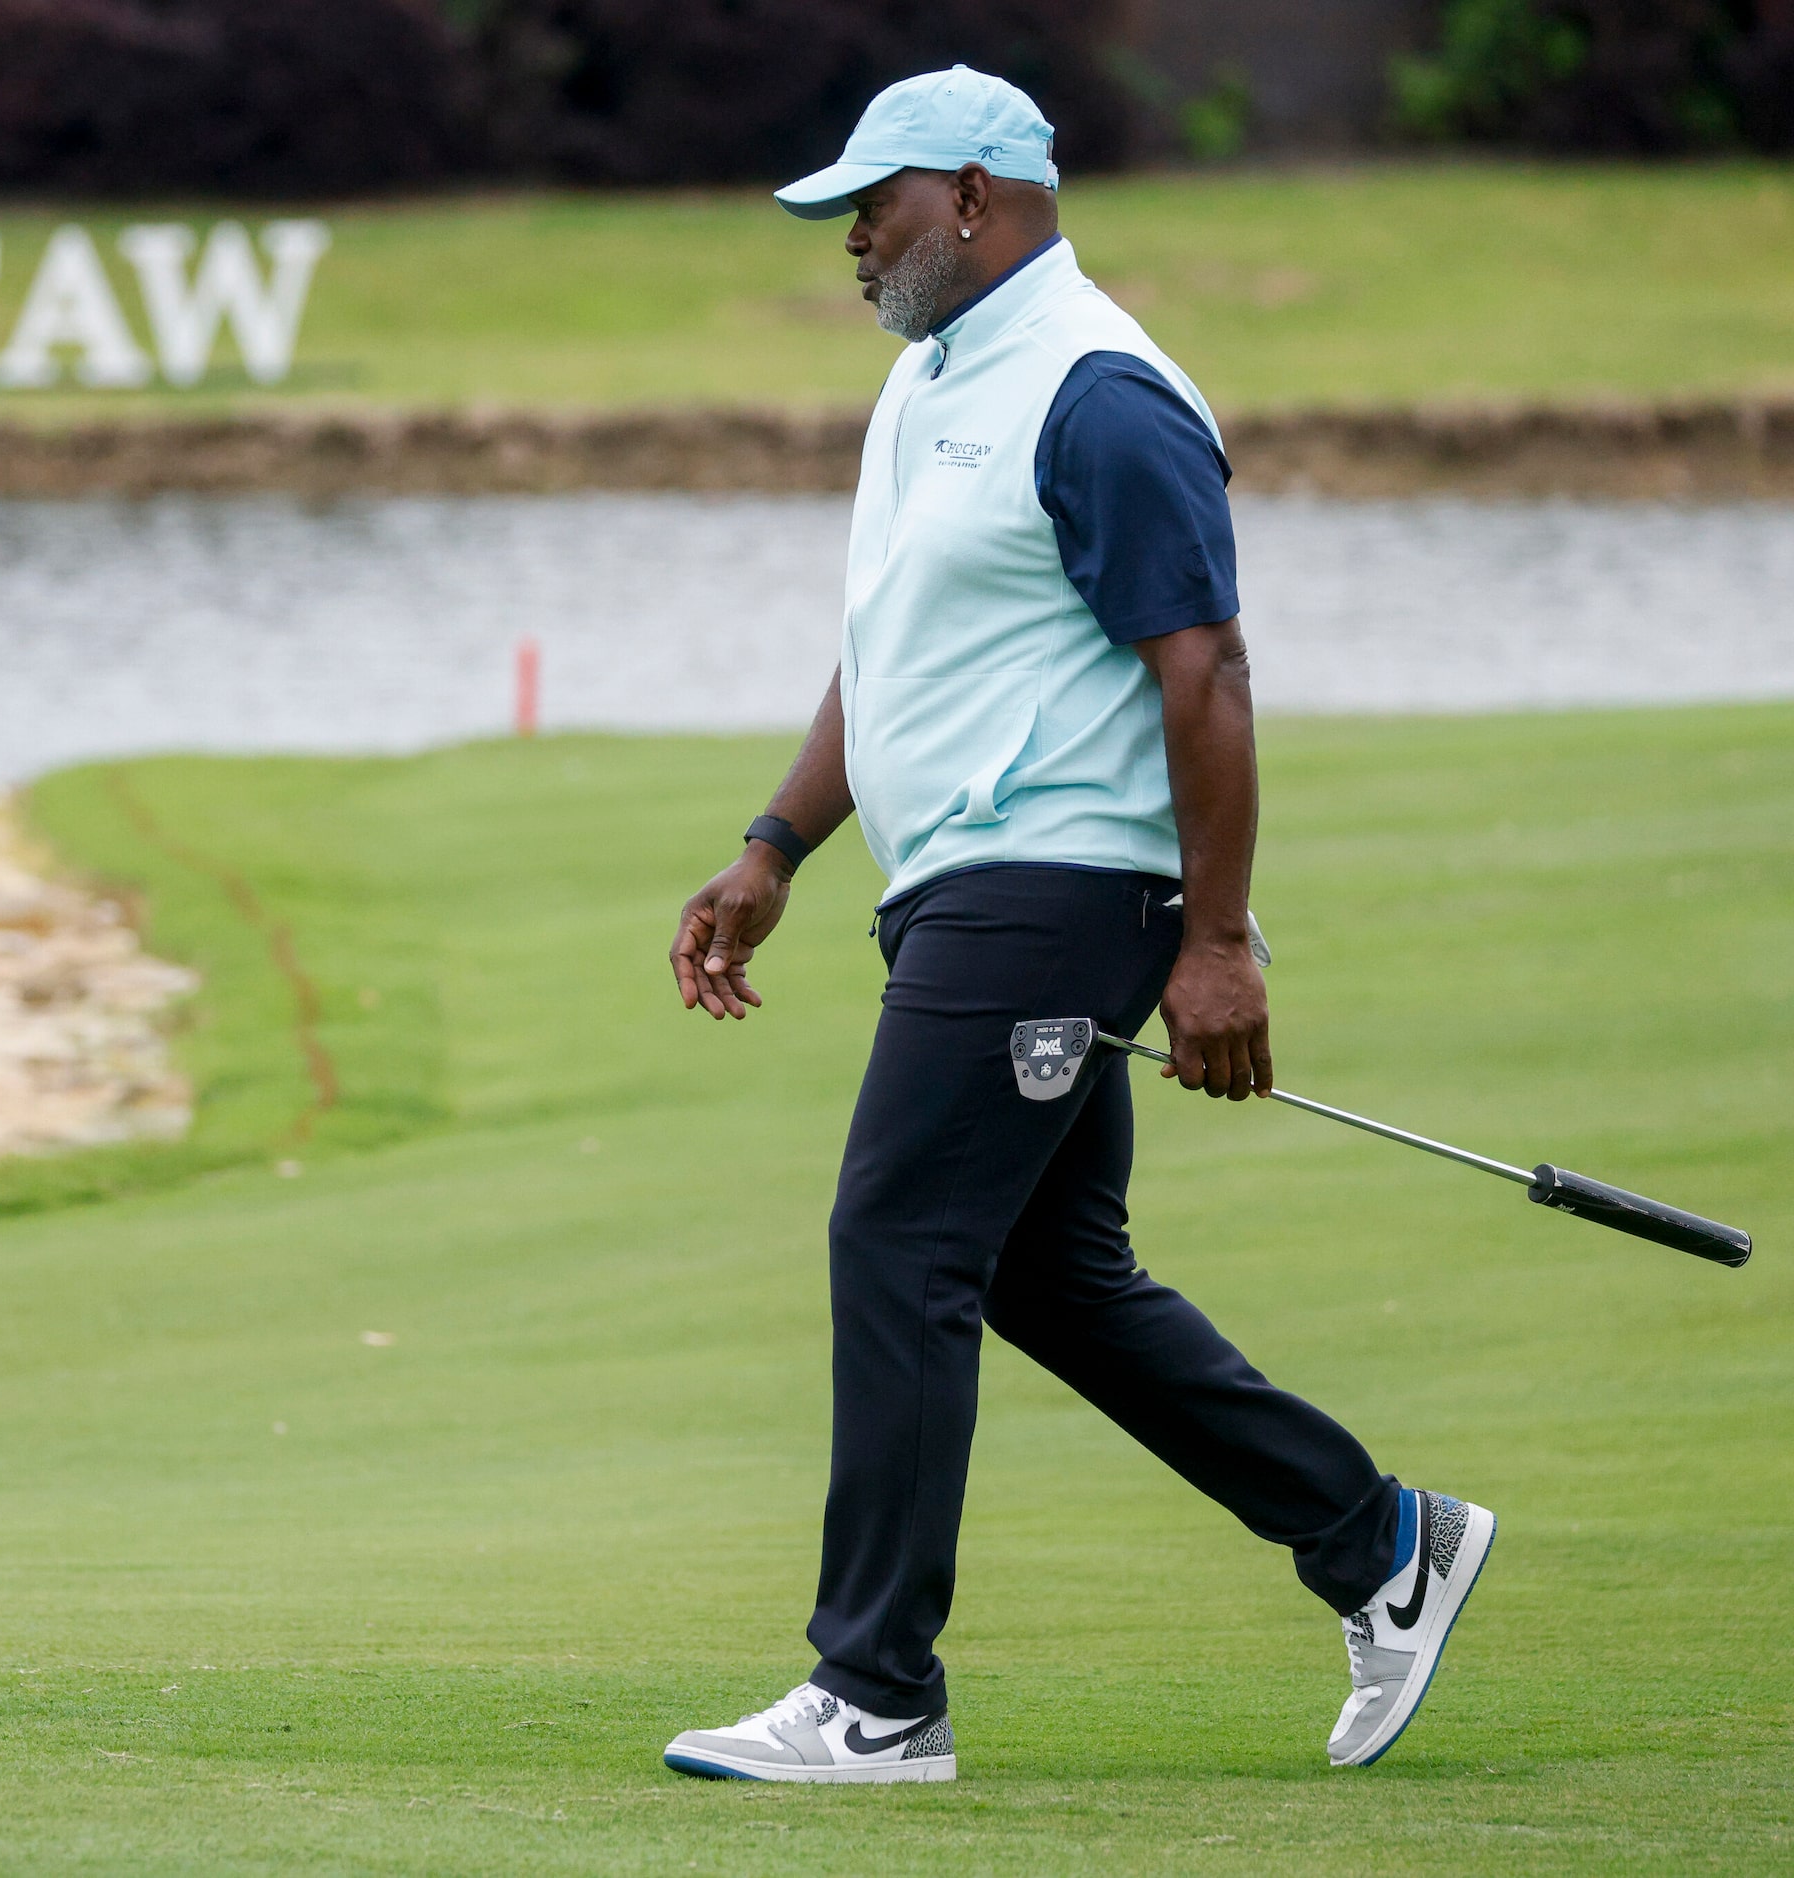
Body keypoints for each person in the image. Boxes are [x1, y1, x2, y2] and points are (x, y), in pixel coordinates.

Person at [657, 66, 1494, 1784]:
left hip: (1057, 890)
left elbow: (1207, 668)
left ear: (970, 195)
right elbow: (893, 653)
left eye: (871, 209)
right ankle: (1380, 1541)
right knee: (1050, 1273)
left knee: (897, 1238)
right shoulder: (928, 383)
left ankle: (875, 1692)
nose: (851, 246)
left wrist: (1218, 941)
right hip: (957, 886)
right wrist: (775, 846)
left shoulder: (1102, 389)